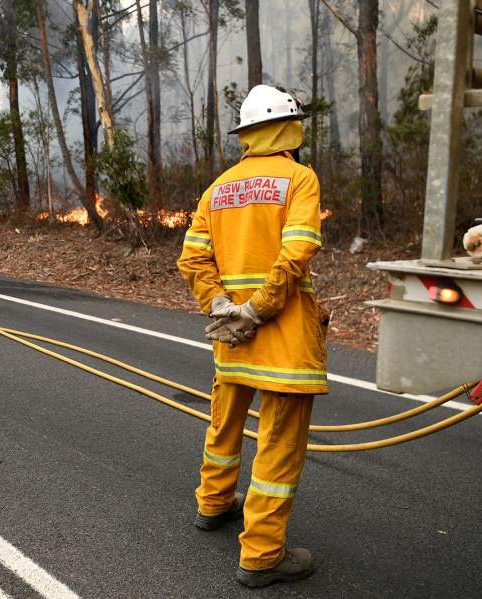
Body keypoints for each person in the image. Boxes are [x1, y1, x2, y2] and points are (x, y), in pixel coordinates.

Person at [177, 85, 329, 588]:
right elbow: (297, 252)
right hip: (280, 339)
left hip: (231, 338)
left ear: (247, 135)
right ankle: (262, 555)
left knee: (224, 425)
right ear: (290, 129)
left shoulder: (217, 188)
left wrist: (221, 305)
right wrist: (257, 309)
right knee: (278, 446)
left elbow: (193, 258)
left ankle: (214, 503)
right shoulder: (299, 179)